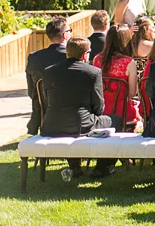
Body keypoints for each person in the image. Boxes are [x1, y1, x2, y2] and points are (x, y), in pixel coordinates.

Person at [41, 37, 117, 178]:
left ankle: (75, 167)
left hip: (52, 124)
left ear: (68, 53)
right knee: (114, 120)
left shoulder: (49, 71)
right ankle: (102, 166)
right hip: (81, 125)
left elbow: (47, 101)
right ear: (84, 54)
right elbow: (99, 107)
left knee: (73, 119)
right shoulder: (93, 72)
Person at [25, 17, 70, 135]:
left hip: (43, 110)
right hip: (69, 112)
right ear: (65, 35)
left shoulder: (33, 58)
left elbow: (31, 91)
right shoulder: (72, 58)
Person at [91, 26, 140, 130]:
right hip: (122, 112)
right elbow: (132, 93)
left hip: (100, 111)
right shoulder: (130, 63)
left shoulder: (97, 59)